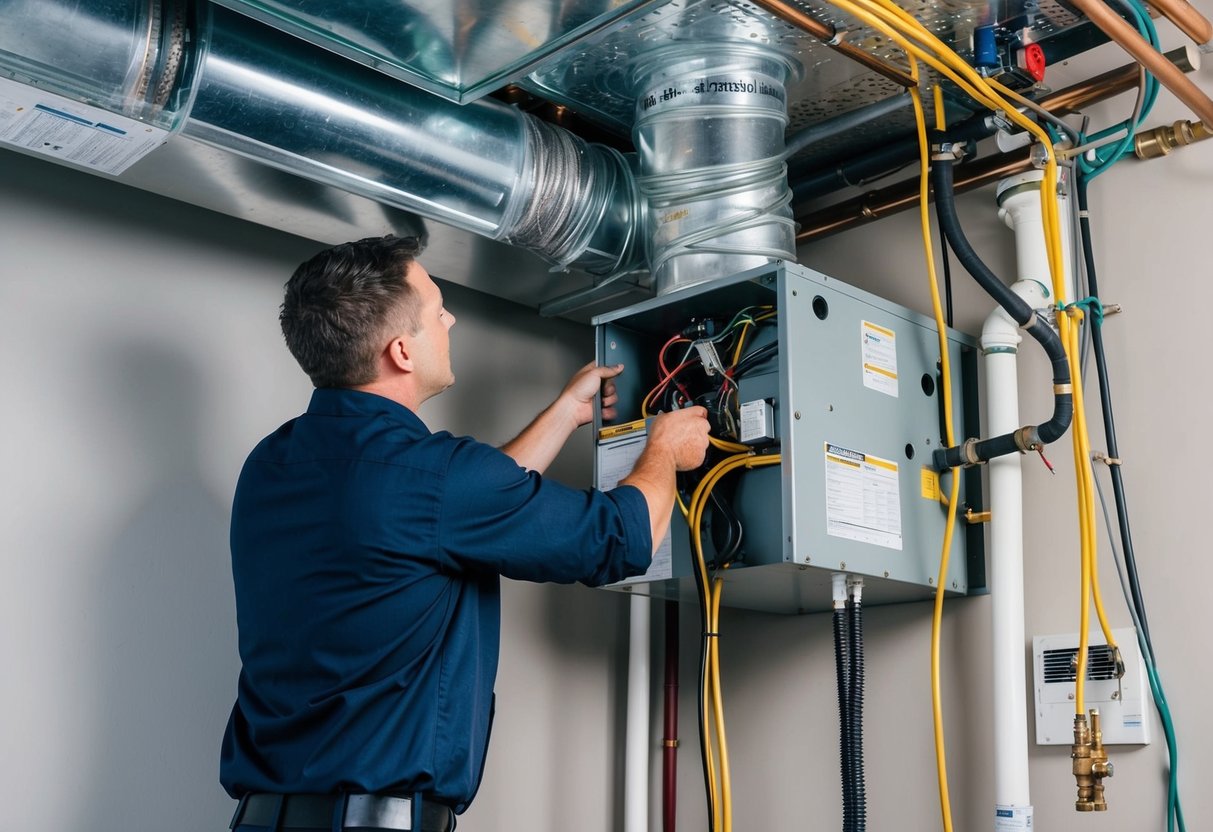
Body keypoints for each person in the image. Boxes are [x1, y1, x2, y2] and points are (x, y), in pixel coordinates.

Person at [220, 235, 709, 832]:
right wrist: (665, 450)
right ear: (401, 350)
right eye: (436, 308)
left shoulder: (269, 465)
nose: (449, 318)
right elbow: (619, 539)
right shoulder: (435, 479)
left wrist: (564, 414)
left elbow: (451, 512)